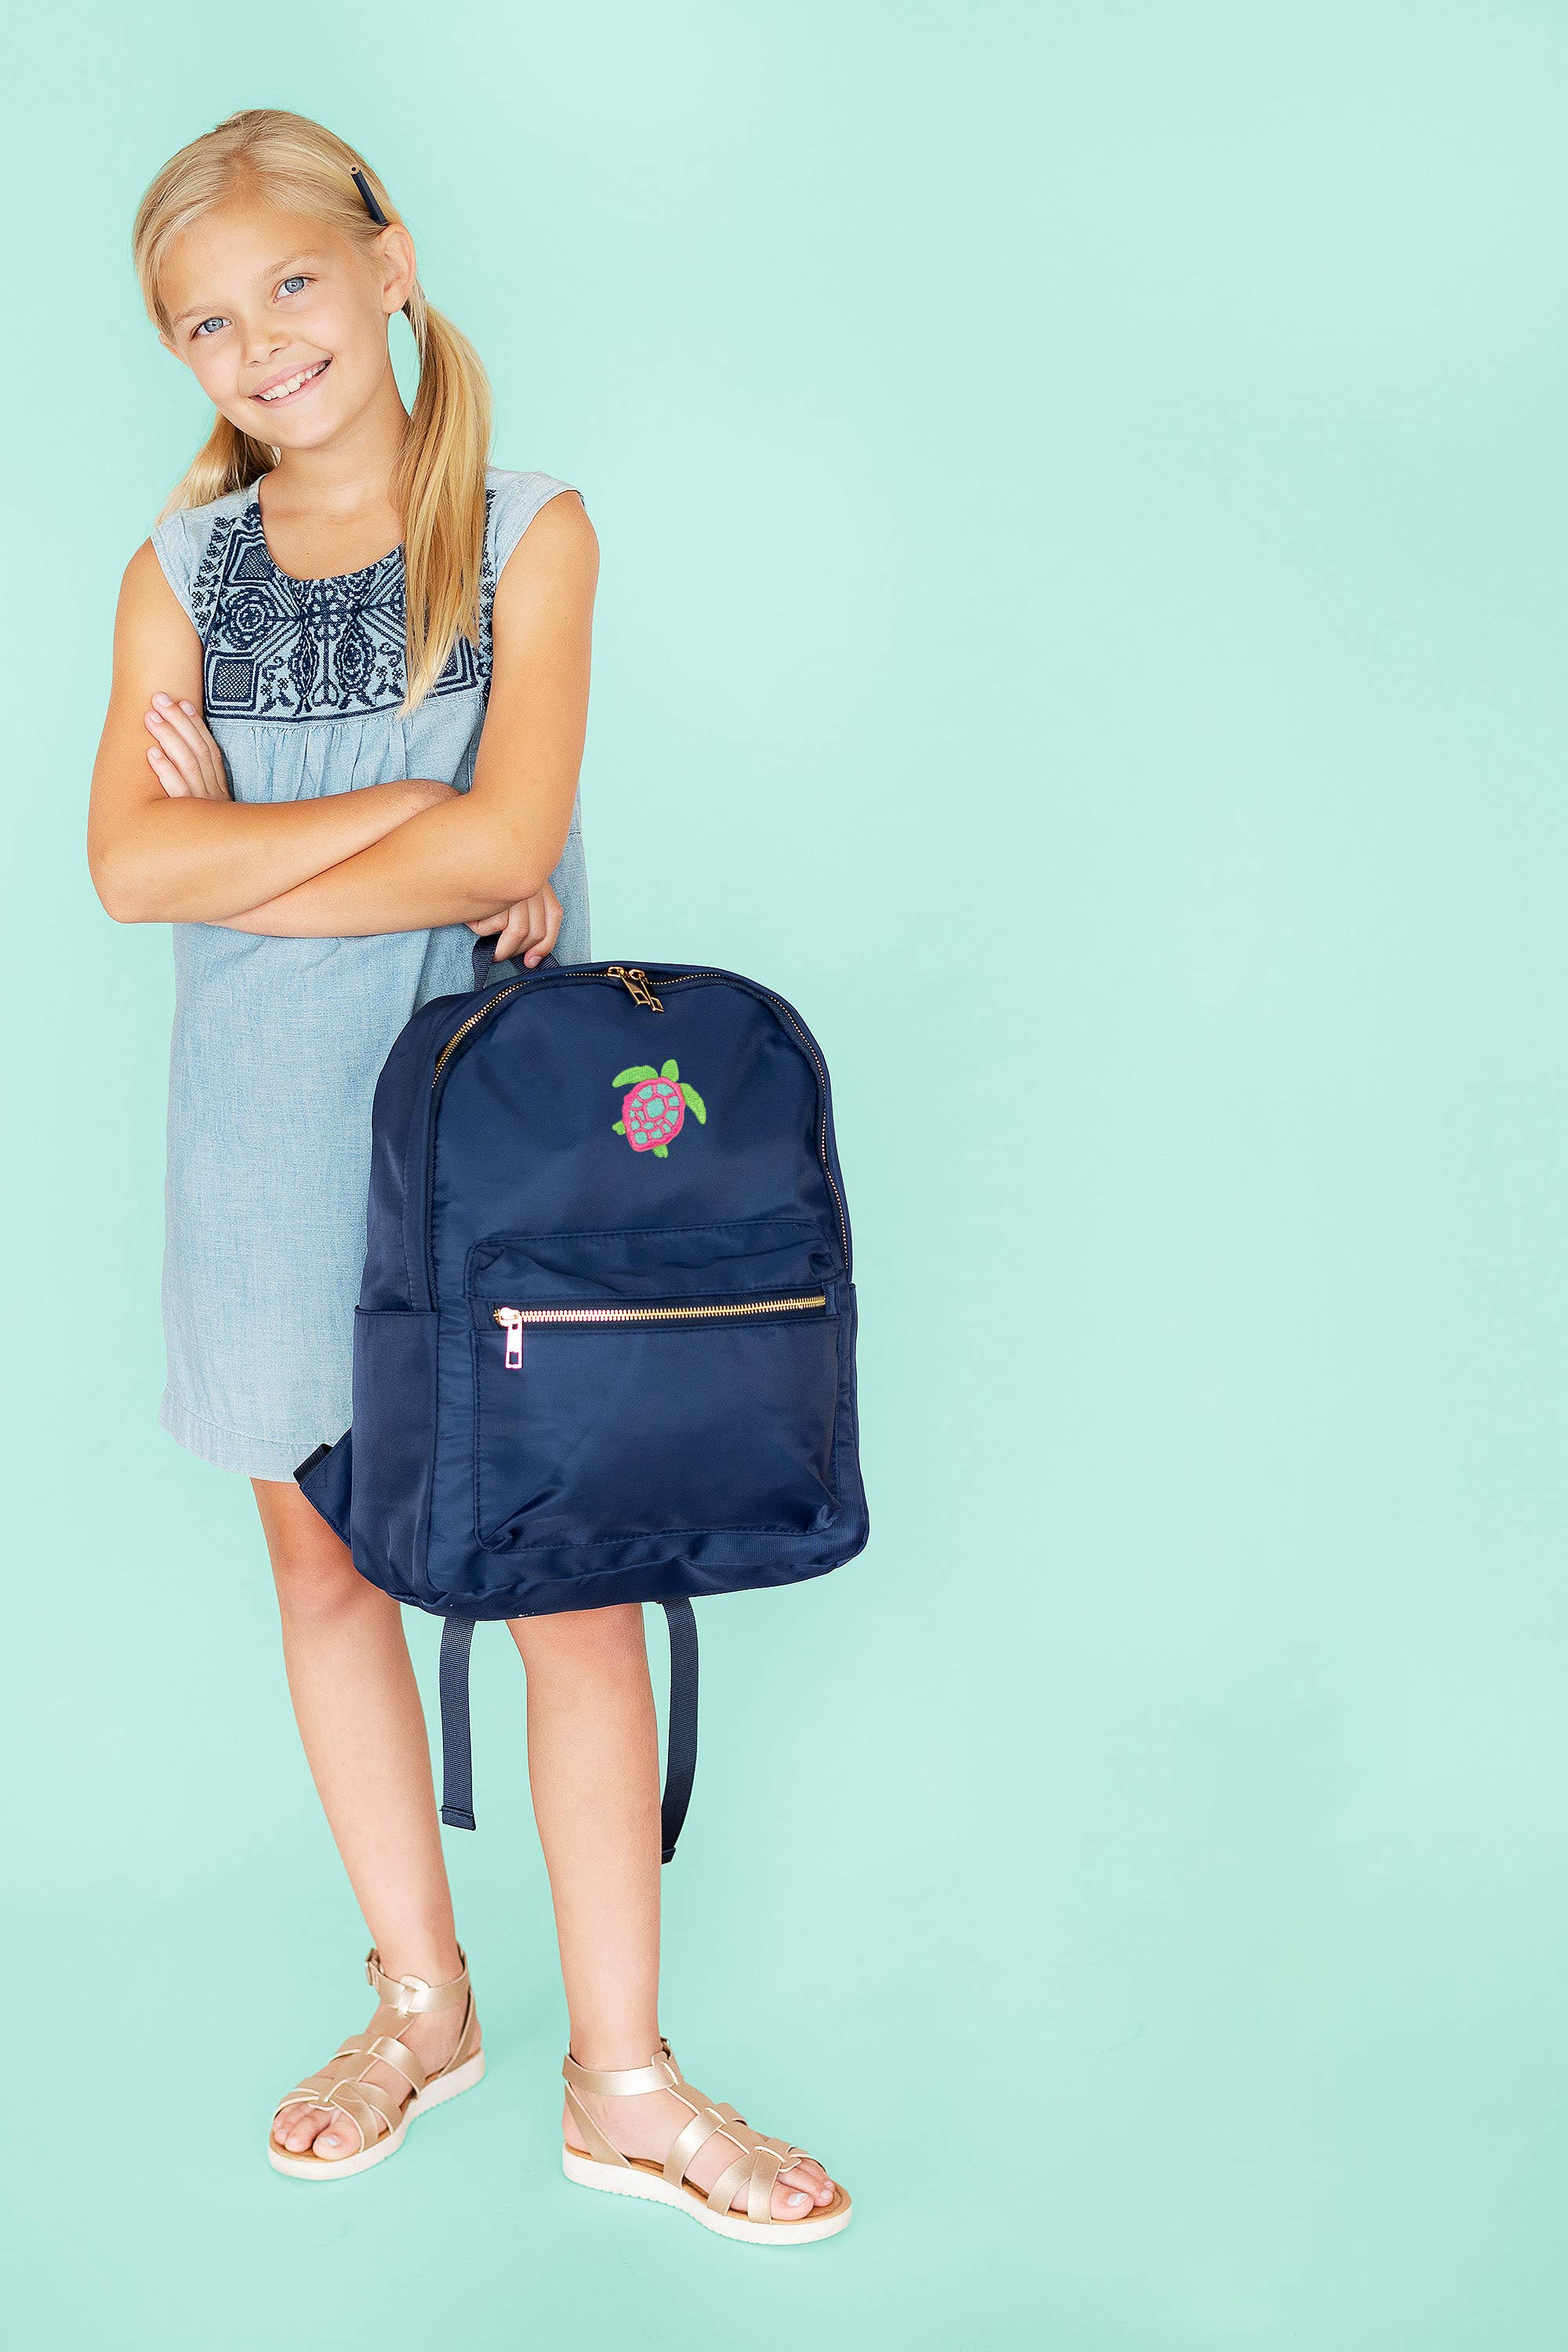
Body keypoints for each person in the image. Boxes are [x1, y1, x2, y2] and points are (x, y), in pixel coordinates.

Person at [86, 107, 848, 2245]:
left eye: (291, 284)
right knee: (324, 1573)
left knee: (568, 1591)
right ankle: (418, 2004)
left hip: (500, 1148)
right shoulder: (179, 573)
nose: (260, 343)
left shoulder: (529, 534)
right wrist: (405, 824)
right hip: (259, 1141)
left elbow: (508, 846)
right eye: (205, 323)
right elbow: (128, 868)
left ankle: (627, 2077)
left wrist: (260, 841)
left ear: (391, 261)